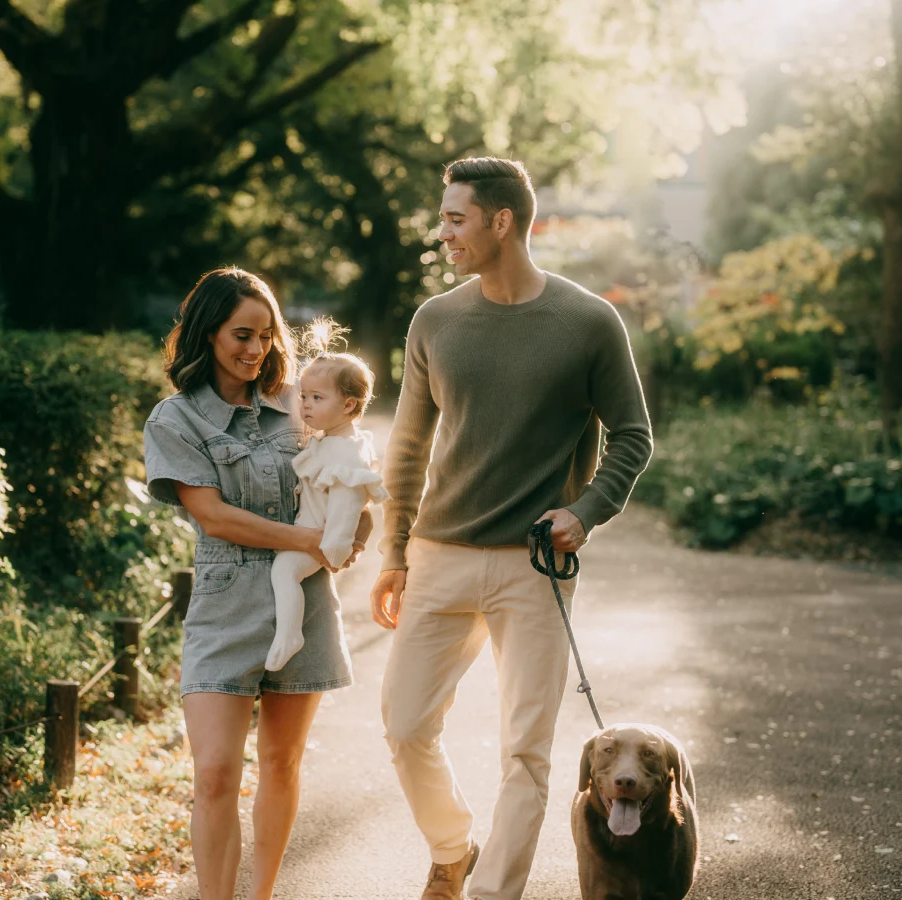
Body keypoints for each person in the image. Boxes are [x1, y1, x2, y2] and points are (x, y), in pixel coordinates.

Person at [371, 158, 654, 900]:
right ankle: (453, 846)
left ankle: (494, 893)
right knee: (405, 724)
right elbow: (407, 445)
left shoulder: (589, 321)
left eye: (454, 218)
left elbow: (633, 435)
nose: (442, 234)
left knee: (525, 753)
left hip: (535, 570)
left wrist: (586, 511)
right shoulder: (435, 321)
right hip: (438, 555)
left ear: (502, 221)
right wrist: (394, 551)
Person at [143, 268, 368, 900]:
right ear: (207, 333)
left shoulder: (301, 403)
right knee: (215, 771)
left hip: (305, 601)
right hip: (226, 601)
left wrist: (357, 527)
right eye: (242, 334)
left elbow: (346, 463)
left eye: (266, 336)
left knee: (281, 763)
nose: (256, 349)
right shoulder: (176, 419)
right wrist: (310, 541)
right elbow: (213, 516)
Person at [268, 331, 387, 671]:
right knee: (283, 571)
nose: (305, 404)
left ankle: (290, 634)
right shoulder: (330, 439)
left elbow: (347, 507)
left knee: (284, 571)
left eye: (317, 398)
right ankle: (287, 632)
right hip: (309, 530)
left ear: (348, 405)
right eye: (304, 396)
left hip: (318, 537)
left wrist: (334, 550)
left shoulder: (346, 452)